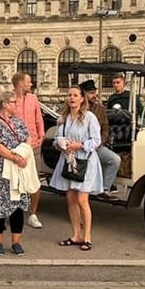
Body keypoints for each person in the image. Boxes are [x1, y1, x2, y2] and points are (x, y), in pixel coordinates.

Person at [49, 85, 102, 251]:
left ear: (81, 98)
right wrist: (60, 143)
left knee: (82, 199)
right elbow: (57, 138)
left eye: (75, 95)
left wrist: (80, 145)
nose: (71, 98)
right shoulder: (64, 118)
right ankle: (75, 235)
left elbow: (96, 140)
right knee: (71, 199)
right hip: (68, 160)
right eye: (69, 95)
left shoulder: (89, 117)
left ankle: (87, 236)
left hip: (85, 161)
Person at [0, 90, 34, 255]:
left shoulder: (18, 122)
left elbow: (28, 138)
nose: (16, 105)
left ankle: (16, 242)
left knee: (17, 205)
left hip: (19, 170)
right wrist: (13, 156)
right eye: (13, 102)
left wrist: (23, 153)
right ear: (4, 104)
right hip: (0, 171)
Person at [11, 72, 45, 229]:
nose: (31, 84)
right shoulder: (10, 99)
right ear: (20, 84)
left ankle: (33, 214)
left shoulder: (33, 98)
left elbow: (39, 119)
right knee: (14, 180)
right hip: (15, 146)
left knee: (34, 180)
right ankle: (12, 210)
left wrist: (41, 136)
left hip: (33, 145)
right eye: (28, 82)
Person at [79, 80, 121, 197]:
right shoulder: (78, 109)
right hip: (80, 146)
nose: (94, 96)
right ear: (84, 94)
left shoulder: (100, 109)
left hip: (96, 146)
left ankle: (104, 188)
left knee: (114, 160)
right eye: (91, 93)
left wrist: (99, 143)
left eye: (95, 93)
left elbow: (105, 129)